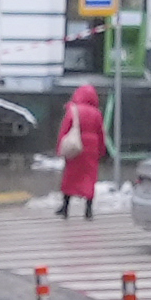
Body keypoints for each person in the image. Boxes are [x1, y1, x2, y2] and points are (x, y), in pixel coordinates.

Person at [55, 83, 107, 218]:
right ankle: (88, 211)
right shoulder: (97, 113)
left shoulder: (73, 110)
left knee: (70, 177)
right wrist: (101, 150)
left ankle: (65, 208)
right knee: (90, 178)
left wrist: (60, 147)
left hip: (75, 148)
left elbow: (65, 130)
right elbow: (101, 133)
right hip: (92, 149)